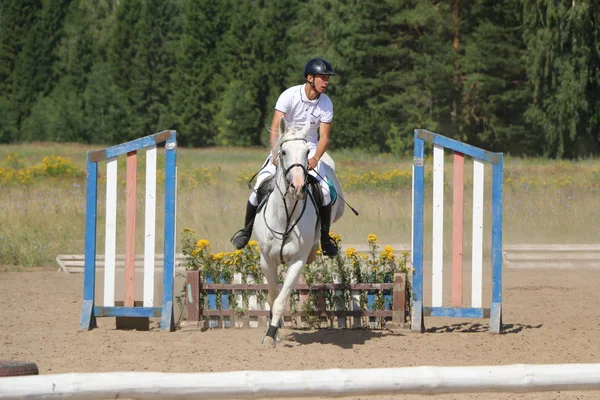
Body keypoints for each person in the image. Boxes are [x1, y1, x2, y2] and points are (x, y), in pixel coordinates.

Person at [231, 57, 339, 256]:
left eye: (327, 78)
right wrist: (275, 153)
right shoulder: (289, 95)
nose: (326, 82)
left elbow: (324, 138)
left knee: (324, 191)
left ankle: (325, 238)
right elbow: (274, 127)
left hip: (310, 147)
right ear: (310, 78)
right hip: (285, 146)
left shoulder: (326, 103)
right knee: (259, 186)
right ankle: (245, 231)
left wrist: (314, 159)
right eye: (322, 78)